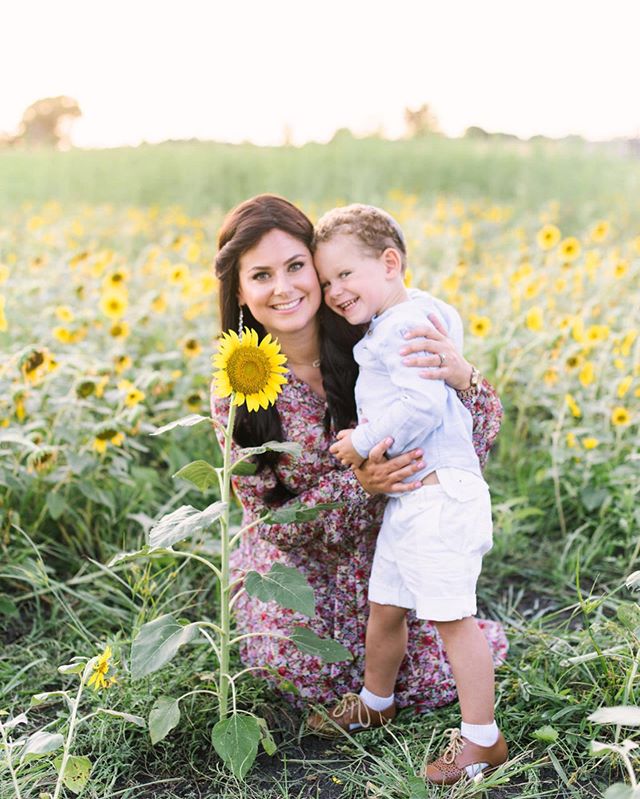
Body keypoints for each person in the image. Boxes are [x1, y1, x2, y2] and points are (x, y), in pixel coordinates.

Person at [210, 194, 507, 726]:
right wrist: (361, 483)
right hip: (301, 575)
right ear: (238, 291)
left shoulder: (373, 336)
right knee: (301, 673)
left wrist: (464, 378)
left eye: (298, 267)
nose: (285, 288)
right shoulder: (239, 386)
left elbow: (475, 441)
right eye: (261, 275)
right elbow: (270, 520)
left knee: (422, 673)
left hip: (390, 550)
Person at [309, 203, 507, 784]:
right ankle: (377, 701)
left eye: (346, 274)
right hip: (411, 498)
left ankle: (481, 739)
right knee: (386, 606)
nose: (335, 291)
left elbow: (422, 405)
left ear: (390, 263)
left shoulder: (403, 326)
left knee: (452, 619)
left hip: (438, 495)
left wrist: (363, 440)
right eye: (327, 282)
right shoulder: (398, 321)